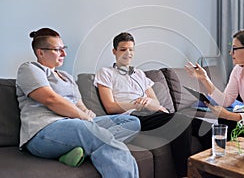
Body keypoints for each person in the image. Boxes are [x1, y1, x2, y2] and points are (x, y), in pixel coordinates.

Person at [16, 28, 141, 178]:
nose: (64, 54)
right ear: (40, 52)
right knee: (95, 132)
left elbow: (80, 105)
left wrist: (87, 113)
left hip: (77, 124)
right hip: (44, 131)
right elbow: (51, 100)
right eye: (57, 50)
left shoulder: (67, 77)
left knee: (131, 122)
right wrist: (85, 118)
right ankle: (89, 142)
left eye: (64, 49)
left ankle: (74, 151)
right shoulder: (30, 69)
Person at [94, 32, 206, 177]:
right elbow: (110, 107)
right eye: (123, 49)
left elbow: (156, 102)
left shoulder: (139, 74)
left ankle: (216, 168)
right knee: (181, 120)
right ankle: (184, 174)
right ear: (114, 51)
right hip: (131, 116)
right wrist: (135, 105)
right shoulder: (106, 73)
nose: (128, 53)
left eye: (131, 49)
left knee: (201, 125)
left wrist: (149, 103)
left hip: (150, 112)